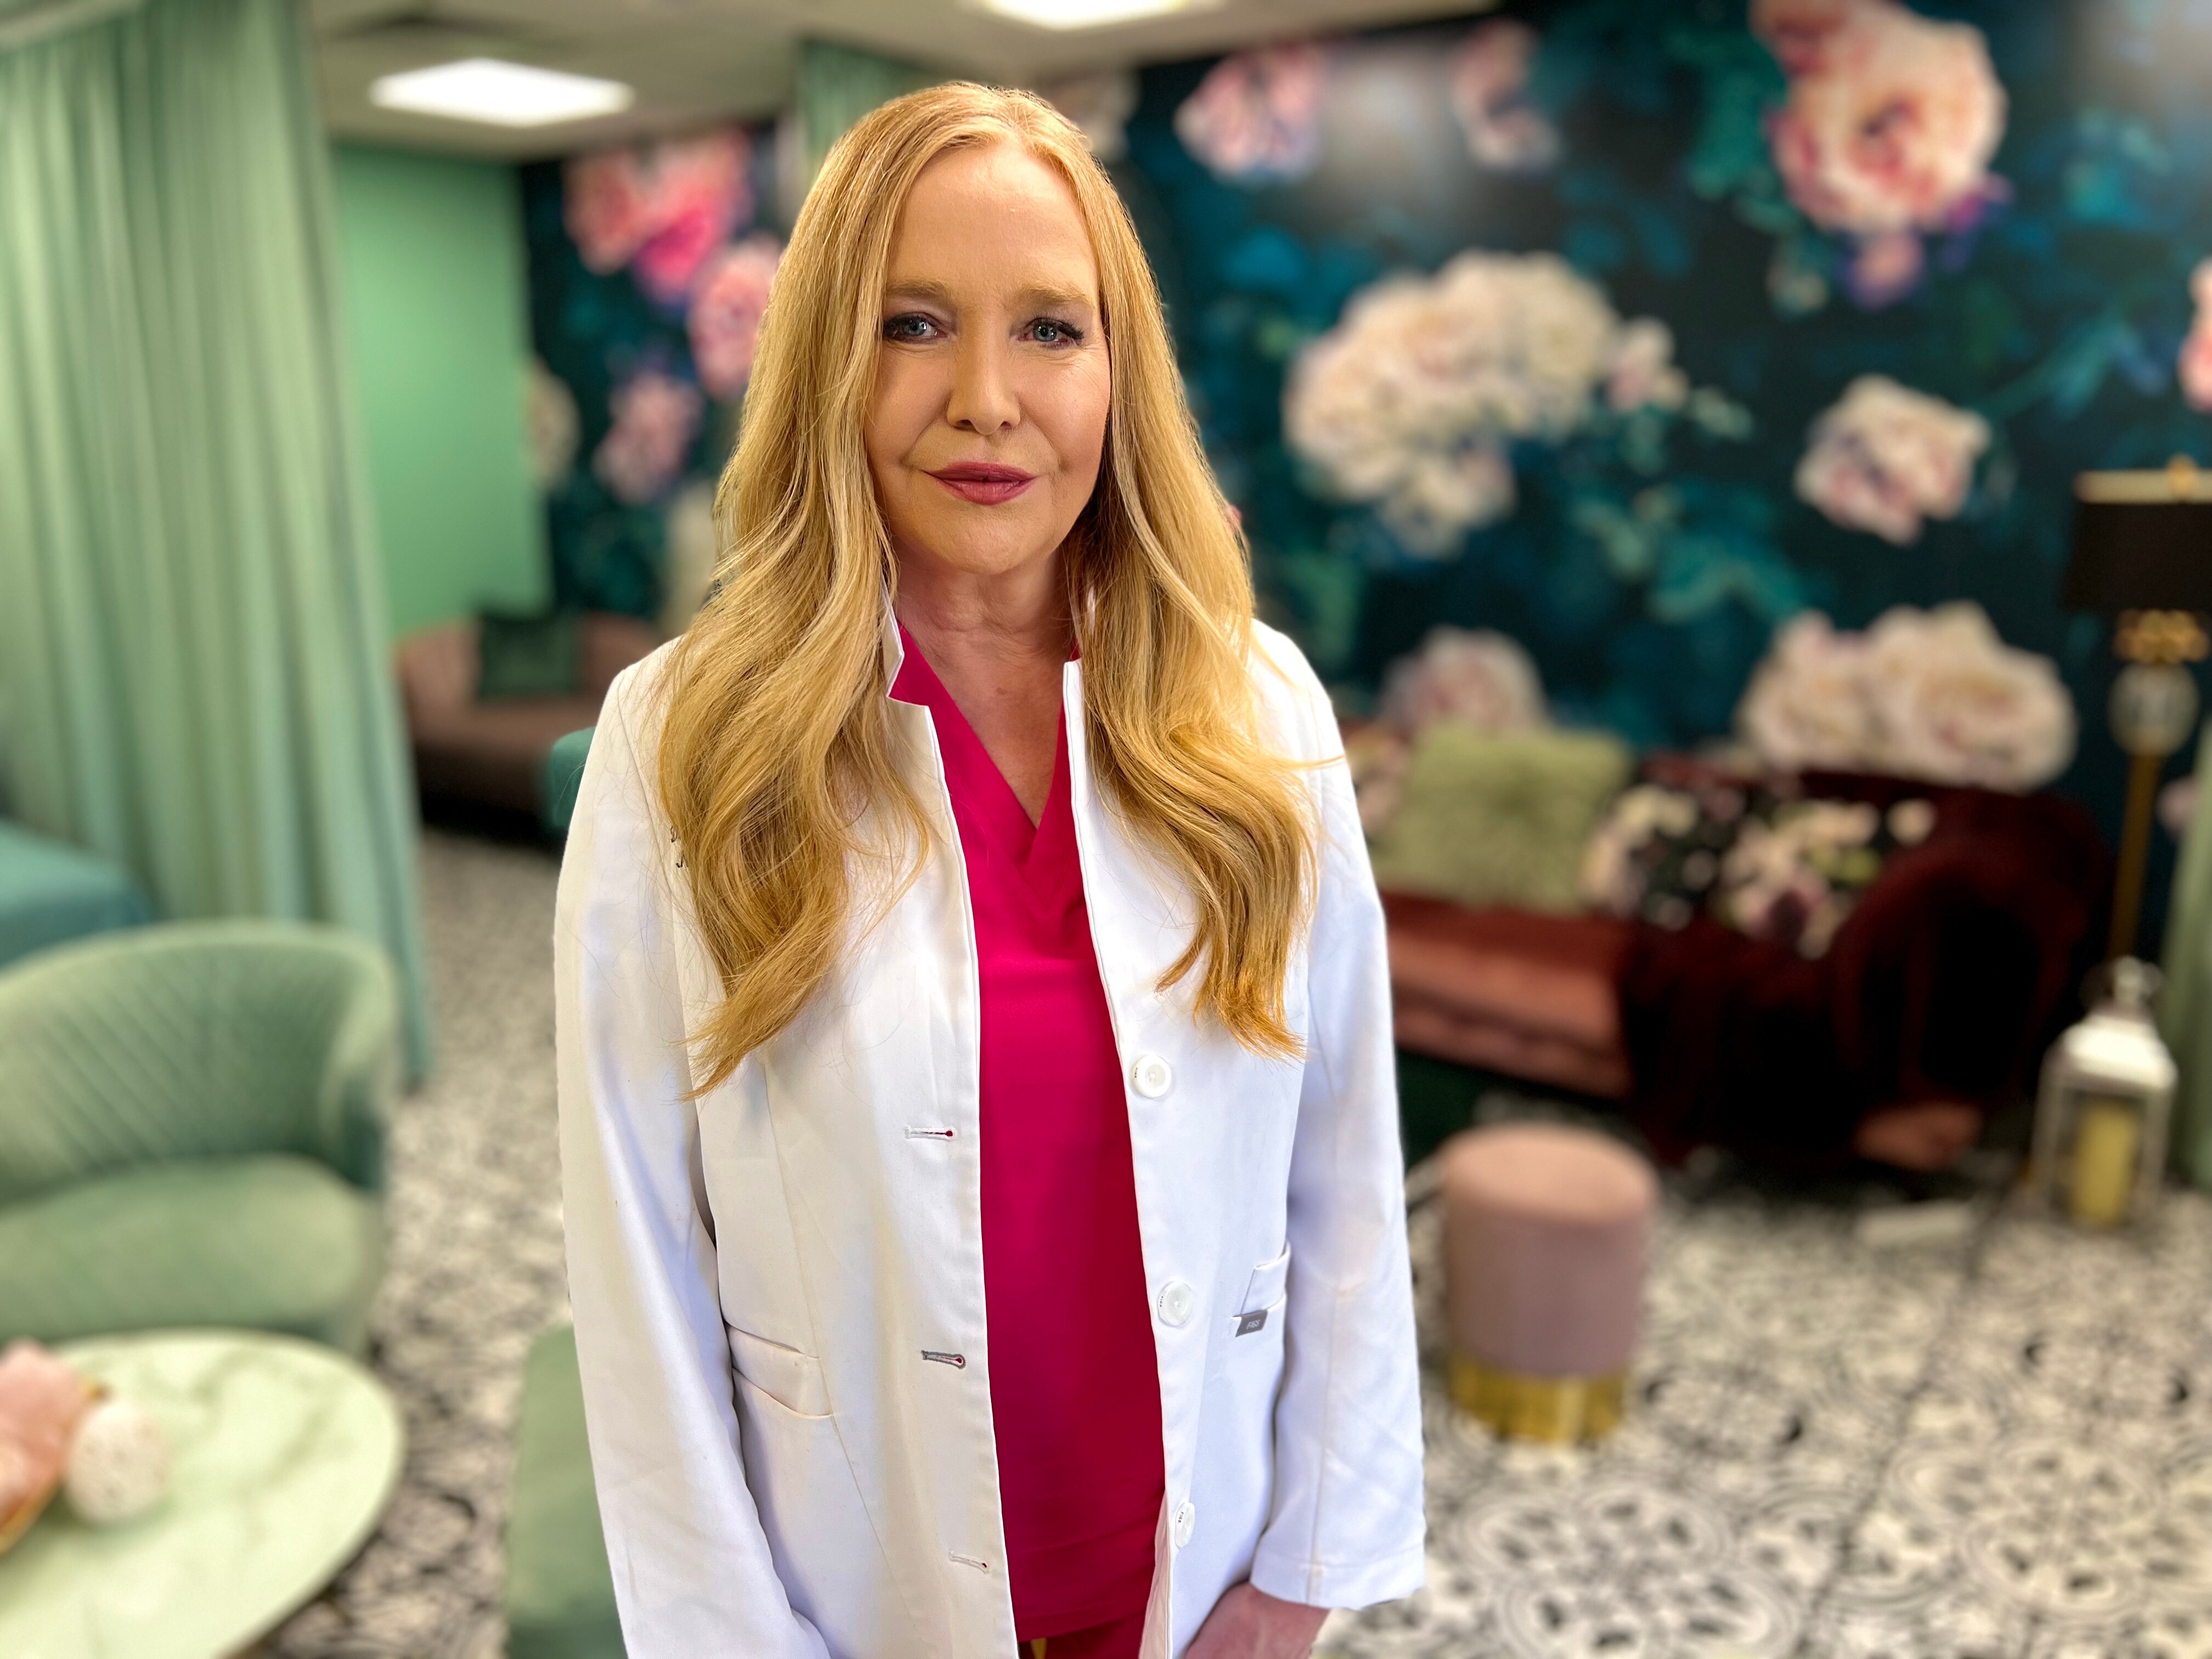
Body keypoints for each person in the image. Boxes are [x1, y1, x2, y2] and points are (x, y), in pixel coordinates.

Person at [554, 82, 1423, 1659]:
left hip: (1198, 1580)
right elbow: (637, 1266)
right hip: (859, 1595)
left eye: (1048, 330)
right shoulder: (675, 741)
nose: (984, 399)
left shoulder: (1262, 705)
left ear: (1116, 371)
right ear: (827, 357)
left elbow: (1345, 1177)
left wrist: (1297, 1580)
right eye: (912, 324)